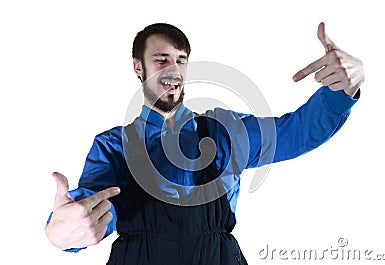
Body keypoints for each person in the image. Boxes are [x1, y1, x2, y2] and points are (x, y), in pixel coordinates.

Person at [45, 22, 364, 264]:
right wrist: (60, 233)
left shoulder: (225, 131)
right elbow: (90, 212)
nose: (173, 70)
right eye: (161, 59)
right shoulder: (114, 146)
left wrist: (341, 92)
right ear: (138, 67)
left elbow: (297, 132)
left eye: (180, 60)